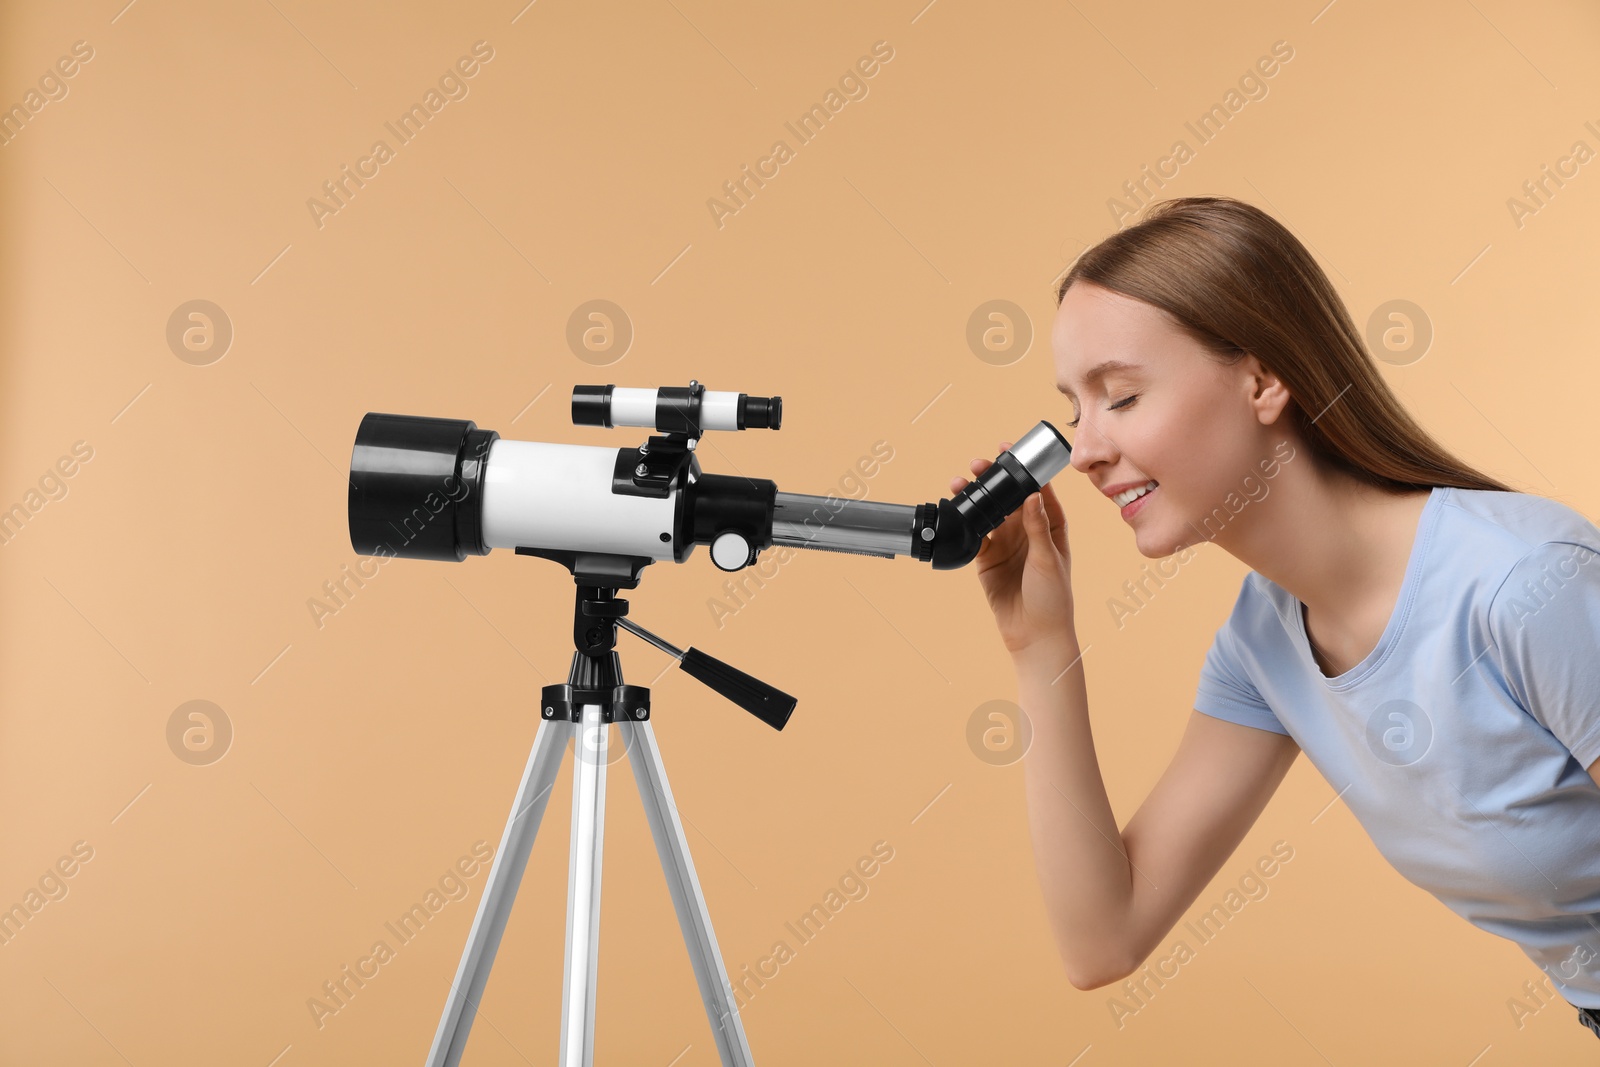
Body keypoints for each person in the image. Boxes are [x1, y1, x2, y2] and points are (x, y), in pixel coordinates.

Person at [950, 196, 1600, 1043]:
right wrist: (1039, 647)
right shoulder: (1264, 643)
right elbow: (1102, 938)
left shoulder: (1525, 585)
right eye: (1075, 408)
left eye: (1123, 395)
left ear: (1262, 382)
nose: (1086, 450)